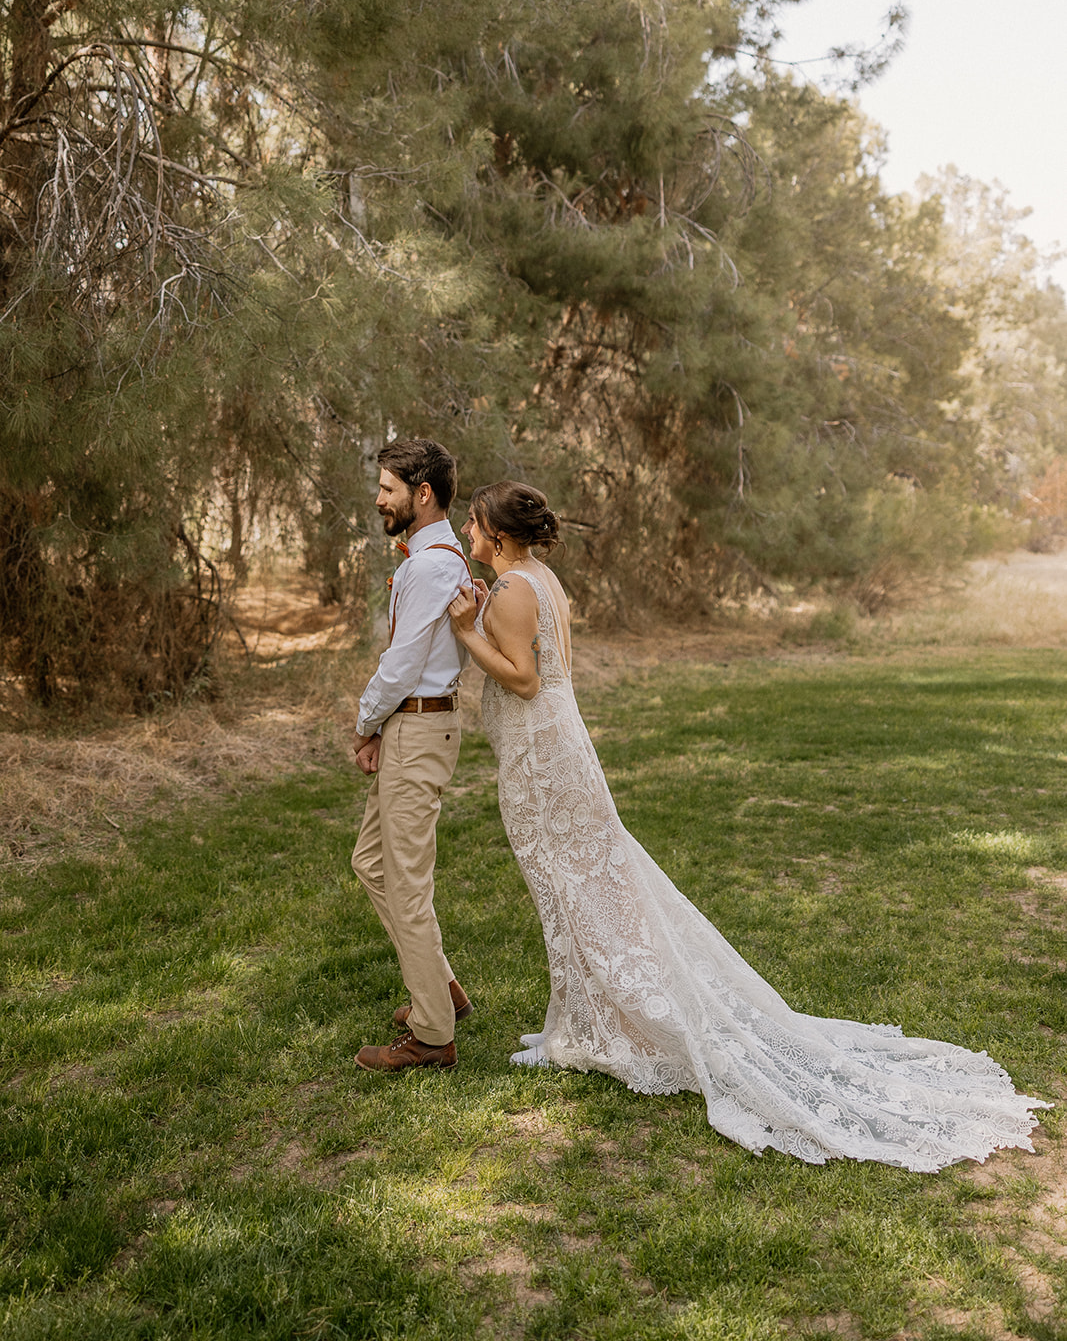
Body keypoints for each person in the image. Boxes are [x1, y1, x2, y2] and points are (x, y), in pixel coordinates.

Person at [447, 480, 1048, 1170]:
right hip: (550, 746)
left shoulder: (518, 589)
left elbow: (524, 679)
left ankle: (594, 1031)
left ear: (495, 531)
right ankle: (578, 1025)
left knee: (574, 887)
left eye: (472, 522)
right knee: (575, 887)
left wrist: (467, 631)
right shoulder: (535, 579)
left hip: (542, 755)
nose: (467, 530)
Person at [350, 438, 475, 1073]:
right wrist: (379, 728)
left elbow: (400, 666)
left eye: (387, 488)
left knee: (406, 885)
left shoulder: (428, 567)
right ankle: (443, 988)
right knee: (372, 862)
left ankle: (432, 1033)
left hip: (417, 729)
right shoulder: (429, 560)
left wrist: (363, 721)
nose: (379, 499)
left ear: (421, 494)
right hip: (410, 727)